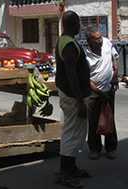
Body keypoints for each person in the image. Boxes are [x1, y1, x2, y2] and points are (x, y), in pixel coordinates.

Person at [55, 10, 92, 188]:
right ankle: (63, 173)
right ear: (72, 25)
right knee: (70, 134)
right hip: (72, 97)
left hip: (73, 95)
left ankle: (71, 168)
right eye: (78, 23)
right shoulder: (68, 43)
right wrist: (79, 100)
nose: (80, 26)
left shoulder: (67, 41)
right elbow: (71, 73)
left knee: (76, 134)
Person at [85, 26, 119, 160]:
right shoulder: (85, 55)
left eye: (100, 37)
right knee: (93, 122)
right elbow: (86, 79)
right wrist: (99, 93)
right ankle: (95, 149)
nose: (100, 40)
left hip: (109, 90)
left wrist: (115, 76)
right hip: (94, 95)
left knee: (109, 118)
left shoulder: (106, 43)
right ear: (89, 41)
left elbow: (114, 57)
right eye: (96, 39)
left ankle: (111, 148)